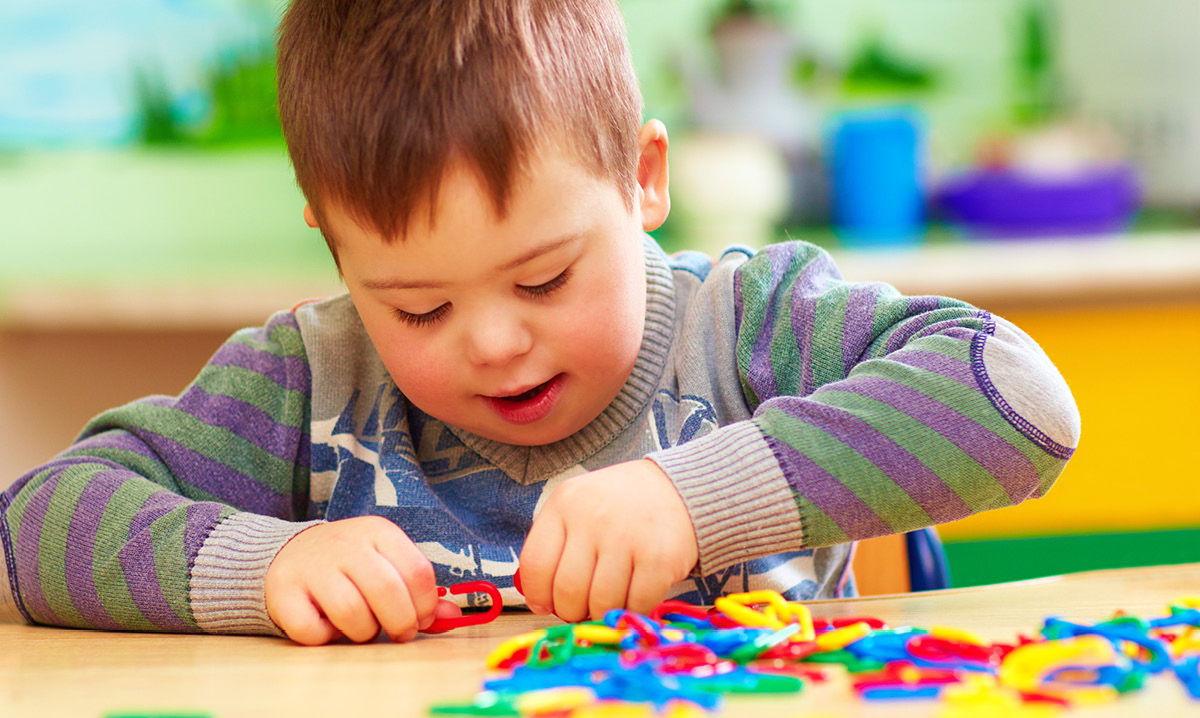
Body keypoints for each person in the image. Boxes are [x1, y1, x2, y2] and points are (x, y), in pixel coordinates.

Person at [0, 0, 1080, 646]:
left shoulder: (748, 322)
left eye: (547, 278)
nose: (492, 341)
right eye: (417, 304)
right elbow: (30, 528)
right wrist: (259, 566)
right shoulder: (306, 378)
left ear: (643, 181)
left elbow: (1020, 399)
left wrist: (692, 499)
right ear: (335, 246)